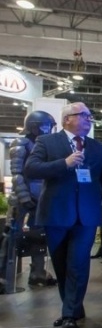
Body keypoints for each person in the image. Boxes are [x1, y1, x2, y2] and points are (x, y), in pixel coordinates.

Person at [24, 102, 102, 328]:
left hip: (86, 216)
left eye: (90, 116)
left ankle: (68, 315)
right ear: (68, 119)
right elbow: (31, 169)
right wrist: (63, 164)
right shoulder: (47, 142)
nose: (89, 120)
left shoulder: (97, 148)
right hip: (56, 214)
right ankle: (74, 307)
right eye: (85, 116)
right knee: (61, 264)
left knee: (78, 263)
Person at [6, 110, 58, 288]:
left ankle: (37, 272)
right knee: (11, 237)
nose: (49, 129)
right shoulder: (21, 143)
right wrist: (24, 195)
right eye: (46, 125)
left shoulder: (43, 144)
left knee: (39, 236)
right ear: (35, 126)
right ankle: (3, 274)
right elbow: (17, 174)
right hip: (24, 197)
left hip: (40, 197)